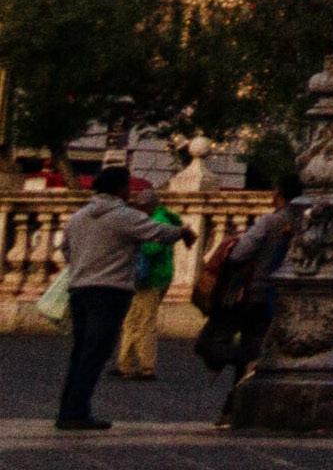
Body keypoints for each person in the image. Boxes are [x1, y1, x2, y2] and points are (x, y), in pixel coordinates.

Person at [55, 164, 150, 432]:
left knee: (81, 351)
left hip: (80, 288)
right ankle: (75, 412)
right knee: (96, 352)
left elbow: (65, 248)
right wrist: (182, 232)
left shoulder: (79, 216)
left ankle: (69, 409)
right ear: (121, 188)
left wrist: (84, 265)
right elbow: (157, 231)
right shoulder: (124, 216)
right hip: (110, 290)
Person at [204, 178, 299, 426]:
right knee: (258, 344)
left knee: (212, 344)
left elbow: (239, 255)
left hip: (253, 293)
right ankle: (235, 408)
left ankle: (245, 364)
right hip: (283, 297)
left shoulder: (270, 221)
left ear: (279, 195)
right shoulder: (306, 222)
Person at [114, 180, 194, 381]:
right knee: (134, 319)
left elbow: (152, 248)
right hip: (152, 276)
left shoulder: (157, 221)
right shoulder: (162, 218)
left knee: (142, 321)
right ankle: (126, 362)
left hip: (150, 277)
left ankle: (144, 365)